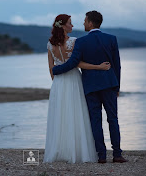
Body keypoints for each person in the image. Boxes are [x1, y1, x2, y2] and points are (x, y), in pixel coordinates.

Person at [52, 11, 128, 163]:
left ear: (91, 23)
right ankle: (117, 154)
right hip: (109, 84)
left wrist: (56, 70)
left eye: (85, 21)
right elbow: (117, 65)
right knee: (113, 119)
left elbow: (73, 63)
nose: (83, 23)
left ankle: (101, 156)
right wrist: (117, 86)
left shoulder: (81, 42)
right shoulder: (111, 39)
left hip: (90, 87)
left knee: (95, 120)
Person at [43, 14, 111, 163]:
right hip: (74, 80)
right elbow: (78, 63)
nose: (73, 26)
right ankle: (78, 151)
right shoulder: (74, 42)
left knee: (61, 116)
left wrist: (57, 84)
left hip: (58, 83)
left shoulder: (50, 43)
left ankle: (60, 150)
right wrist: (98, 67)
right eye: (70, 23)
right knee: (77, 114)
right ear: (63, 26)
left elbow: (51, 68)